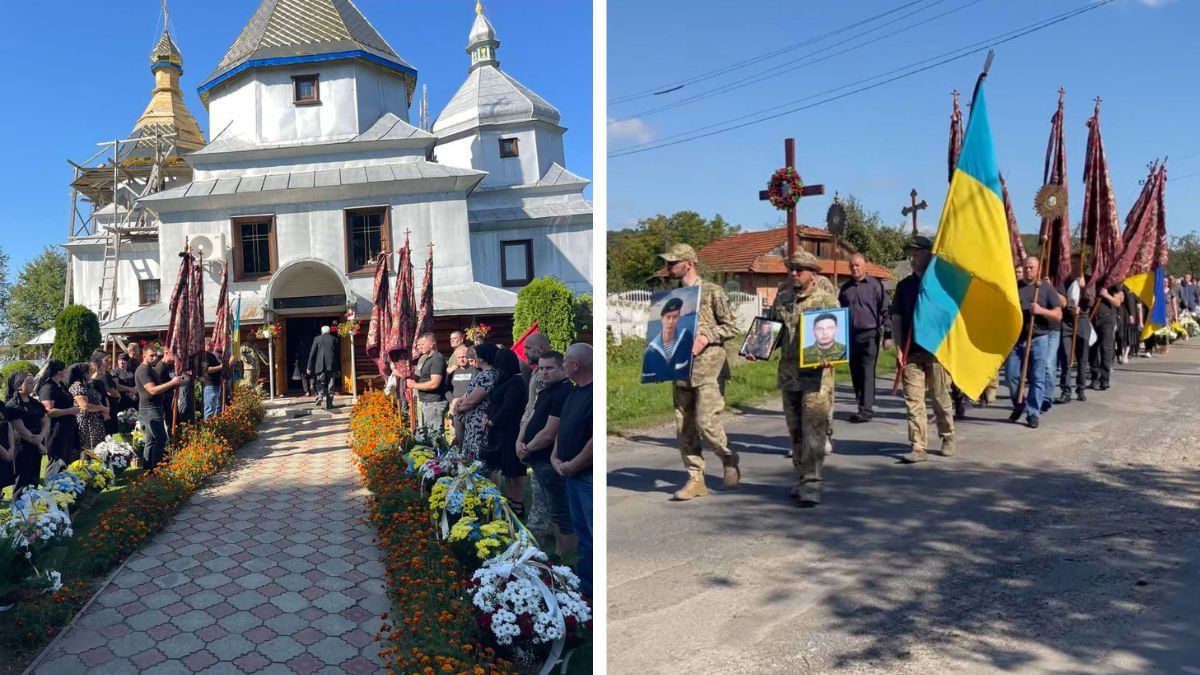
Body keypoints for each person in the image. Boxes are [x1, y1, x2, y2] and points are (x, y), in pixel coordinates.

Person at [658, 243, 739, 501]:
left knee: (706, 422)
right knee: (684, 426)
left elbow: (731, 326)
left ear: (689, 264)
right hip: (681, 369)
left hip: (709, 368)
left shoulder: (713, 292)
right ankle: (695, 478)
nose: (669, 267)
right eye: (668, 262)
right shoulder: (672, 297)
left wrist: (706, 337)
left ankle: (727, 455)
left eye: (674, 262)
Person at [757, 250, 837, 506]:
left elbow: (836, 338)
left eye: (799, 269)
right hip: (789, 375)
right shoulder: (782, 300)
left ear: (813, 274)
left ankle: (812, 482)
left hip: (816, 377)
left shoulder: (826, 301)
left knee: (814, 430)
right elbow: (772, 330)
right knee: (795, 431)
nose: (794, 273)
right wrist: (757, 348)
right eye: (791, 269)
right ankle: (801, 475)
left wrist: (830, 356)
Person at [890, 236, 955, 462]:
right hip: (911, 351)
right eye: (911, 253)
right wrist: (899, 347)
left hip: (936, 351)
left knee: (939, 397)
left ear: (930, 254)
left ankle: (947, 435)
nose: (913, 257)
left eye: (917, 253)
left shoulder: (940, 285)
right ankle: (918, 446)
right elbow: (896, 318)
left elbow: (950, 316)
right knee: (913, 401)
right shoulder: (904, 286)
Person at [517, 351, 576, 554]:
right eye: (541, 368)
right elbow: (531, 417)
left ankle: (564, 556)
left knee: (560, 511)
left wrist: (527, 448)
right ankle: (552, 550)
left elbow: (550, 433)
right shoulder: (545, 391)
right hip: (537, 458)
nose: (544, 372)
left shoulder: (564, 392)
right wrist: (520, 440)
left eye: (549, 368)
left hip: (550, 459)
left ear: (562, 369)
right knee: (547, 506)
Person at [552, 343, 593, 598]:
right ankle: (586, 587)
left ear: (576, 365)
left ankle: (592, 589)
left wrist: (574, 463)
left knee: (592, 535)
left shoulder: (593, 393)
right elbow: (564, 426)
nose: (563, 365)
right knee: (583, 536)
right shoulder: (574, 392)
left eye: (565, 361)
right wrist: (555, 455)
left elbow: (594, 440)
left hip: (586, 476)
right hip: (570, 474)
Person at [1003, 256, 1062, 429]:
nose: (1028, 270)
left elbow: (1058, 315)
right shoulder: (1015, 287)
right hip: (1017, 338)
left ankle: (1033, 413)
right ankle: (1019, 404)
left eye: (1031, 268)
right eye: (1026, 267)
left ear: (1038, 269)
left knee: (1037, 377)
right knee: (1011, 376)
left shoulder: (1046, 289)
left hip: (1039, 338)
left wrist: (1041, 310)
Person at [838, 254, 889, 422]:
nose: (854, 268)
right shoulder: (845, 289)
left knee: (867, 371)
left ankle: (866, 410)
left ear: (864, 266)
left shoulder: (875, 285)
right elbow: (839, 312)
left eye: (857, 265)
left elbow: (885, 310)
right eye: (852, 266)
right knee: (855, 372)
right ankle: (861, 405)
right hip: (850, 335)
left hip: (869, 334)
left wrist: (888, 335)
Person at [483, 348, 528, 516]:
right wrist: (487, 415)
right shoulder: (503, 380)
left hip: (510, 431)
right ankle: (510, 498)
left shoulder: (516, 382)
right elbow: (493, 401)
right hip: (499, 432)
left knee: (514, 470)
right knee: (506, 470)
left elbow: (508, 407)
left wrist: (493, 421)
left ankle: (517, 502)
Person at [136, 345, 187, 469]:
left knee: (151, 440)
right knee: (161, 438)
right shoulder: (143, 370)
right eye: (151, 355)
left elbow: (161, 386)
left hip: (155, 407)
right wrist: (171, 382)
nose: (155, 358)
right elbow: (152, 390)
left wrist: (178, 382)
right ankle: (158, 468)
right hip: (149, 408)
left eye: (156, 355)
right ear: (144, 356)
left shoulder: (151, 369)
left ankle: (148, 468)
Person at [451, 343, 498, 457]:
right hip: (472, 422)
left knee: (476, 458)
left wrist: (458, 409)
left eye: (476, 355)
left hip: (479, 423)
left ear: (481, 357)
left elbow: (472, 400)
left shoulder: (489, 375)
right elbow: (467, 394)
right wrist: (459, 401)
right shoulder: (483, 373)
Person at [4, 372, 47, 493]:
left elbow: (45, 420)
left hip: (37, 442)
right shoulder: (13, 405)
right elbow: (21, 430)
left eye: (33, 382)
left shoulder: (34, 403)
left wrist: (41, 436)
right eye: (29, 383)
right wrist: (39, 444)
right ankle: (20, 502)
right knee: (22, 478)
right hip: (22, 446)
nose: (32, 385)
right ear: (19, 386)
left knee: (34, 477)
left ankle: (34, 501)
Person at [1058, 256, 1093, 403]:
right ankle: (1065, 391)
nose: (1073, 265)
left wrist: (1084, 288)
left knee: (1082, 357)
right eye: (1071, 262)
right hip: (1067, 322)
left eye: (1076, 263)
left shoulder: (1089, 280)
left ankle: (1081, 389)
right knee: (1066, 357)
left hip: (1082, 321)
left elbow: (1091, 301)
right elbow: (1061, 299)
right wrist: (1068, 305)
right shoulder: (1064, 281)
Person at [642, 296, 695, 383]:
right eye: (668, 317)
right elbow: (647, 378)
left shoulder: (686, 337)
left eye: (675, 317)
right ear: (662, 318)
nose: (671, 321)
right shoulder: (650, 352)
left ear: (679, 317)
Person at [37, 360, 80, 465]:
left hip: (67, 429)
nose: (67, 371)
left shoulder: (60, 385)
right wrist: (70, 411)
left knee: (66, 461)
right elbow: (48, 412)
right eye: (65, 369)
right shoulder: (48, 387)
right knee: (57, 462)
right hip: (56, 430)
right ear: (59, 371)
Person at [407, 333, 448, 437]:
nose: (420, 347)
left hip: (434, 402)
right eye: (419, 345)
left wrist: (414, 386)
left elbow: (434, 383)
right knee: (429, 435)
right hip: (428, 402)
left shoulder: (437, 359)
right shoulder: (427, 358)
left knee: (435, 436)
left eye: (423, 344)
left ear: (432, 343)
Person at [71, 354, 111, 452]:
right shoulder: (78, 386)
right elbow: (85, 406)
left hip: (96, 421)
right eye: (89, 371)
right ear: (83, 373)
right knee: (88, 451)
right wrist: (103, 409)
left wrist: (105, 410)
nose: (91, 372)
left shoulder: (87, 385)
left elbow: (99, 399)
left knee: (99, 450)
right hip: (87, 423)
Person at [1089, 281, 1124, 390]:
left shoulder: (1111, 282)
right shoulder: (1092, 280)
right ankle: (1094, 378)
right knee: (1093, 348)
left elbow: (1118, 302)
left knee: (1106, 348)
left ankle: (1104, 379)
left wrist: (1106, 295)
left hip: (1107, 318)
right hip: (1092, 317)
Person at [446, 346, 477, 443]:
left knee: (472, 439)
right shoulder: (453, 373)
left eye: (463, 357)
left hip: (471, 409)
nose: (461, 359)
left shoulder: (475, 371)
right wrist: (452, 400)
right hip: (457, 410)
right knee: (460, 438)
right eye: (459, 357)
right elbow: (446, 390)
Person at [307, 325, 339, 409]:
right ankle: (329, 404)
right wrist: (338, 368)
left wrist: (309, 367)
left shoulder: (317, 339)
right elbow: (337, 355)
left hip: (320, 365)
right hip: (331, 365)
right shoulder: (334, 339)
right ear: (329, 331)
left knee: (319, 382)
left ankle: (320, 395)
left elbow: (312, 354)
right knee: (331, 384)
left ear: (322, 332)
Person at [202, 338, 225, 419]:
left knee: (214, 408)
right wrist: (221, 367)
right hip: (210, 385)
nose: (214, 346)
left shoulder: (211, 355)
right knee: (209, 409)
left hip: (216, 384)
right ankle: (207, 426)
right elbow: (206, 370)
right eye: (212, 345)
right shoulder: (205, 355)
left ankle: (212, 425)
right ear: (208, 345)